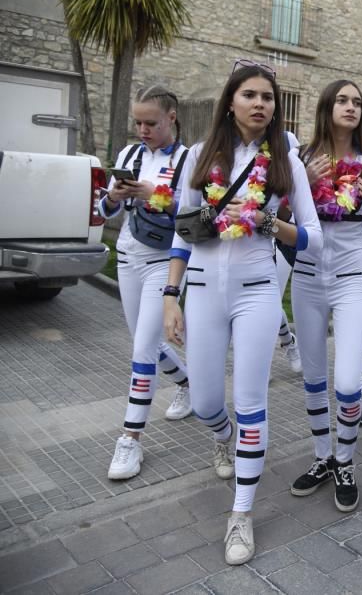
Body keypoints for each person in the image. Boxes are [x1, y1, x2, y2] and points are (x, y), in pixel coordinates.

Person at [163, 60, 321, 565]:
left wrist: (267, 219)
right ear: (230, 101)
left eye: (268, 97)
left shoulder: (286, 162)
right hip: (205, 291)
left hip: (257, 291)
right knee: (209, 402)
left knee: (252, 401)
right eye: (250, 95)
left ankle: (241, 514)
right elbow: (181, 230)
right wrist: (171, 295)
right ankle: (223, 437)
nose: (260, 104)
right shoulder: (199, 154)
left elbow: (313, 239)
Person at [288, 80, 362, 512]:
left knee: (348, 384)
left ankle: (345, 461)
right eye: (343, 101)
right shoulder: (300, 160)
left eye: (358, 103)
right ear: (327, 106)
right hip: (308, 278)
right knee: (313, 379)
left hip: (352, 278)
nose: (351, 108)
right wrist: (303, 185)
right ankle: (322, 457)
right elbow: (280, 220)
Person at [102, 85, 192, 481]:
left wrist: (156, 194)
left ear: (171, 117)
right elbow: (103, 208)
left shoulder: (189, 159)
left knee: (140, 350)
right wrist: (118, 196)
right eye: (138, 122)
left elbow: (194, 216)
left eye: (150, 123)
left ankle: (130, 439)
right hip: (127, 254)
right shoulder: (129, 154)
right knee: (148, 343)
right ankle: (188, 384)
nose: (142, 129)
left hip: (164, 260)